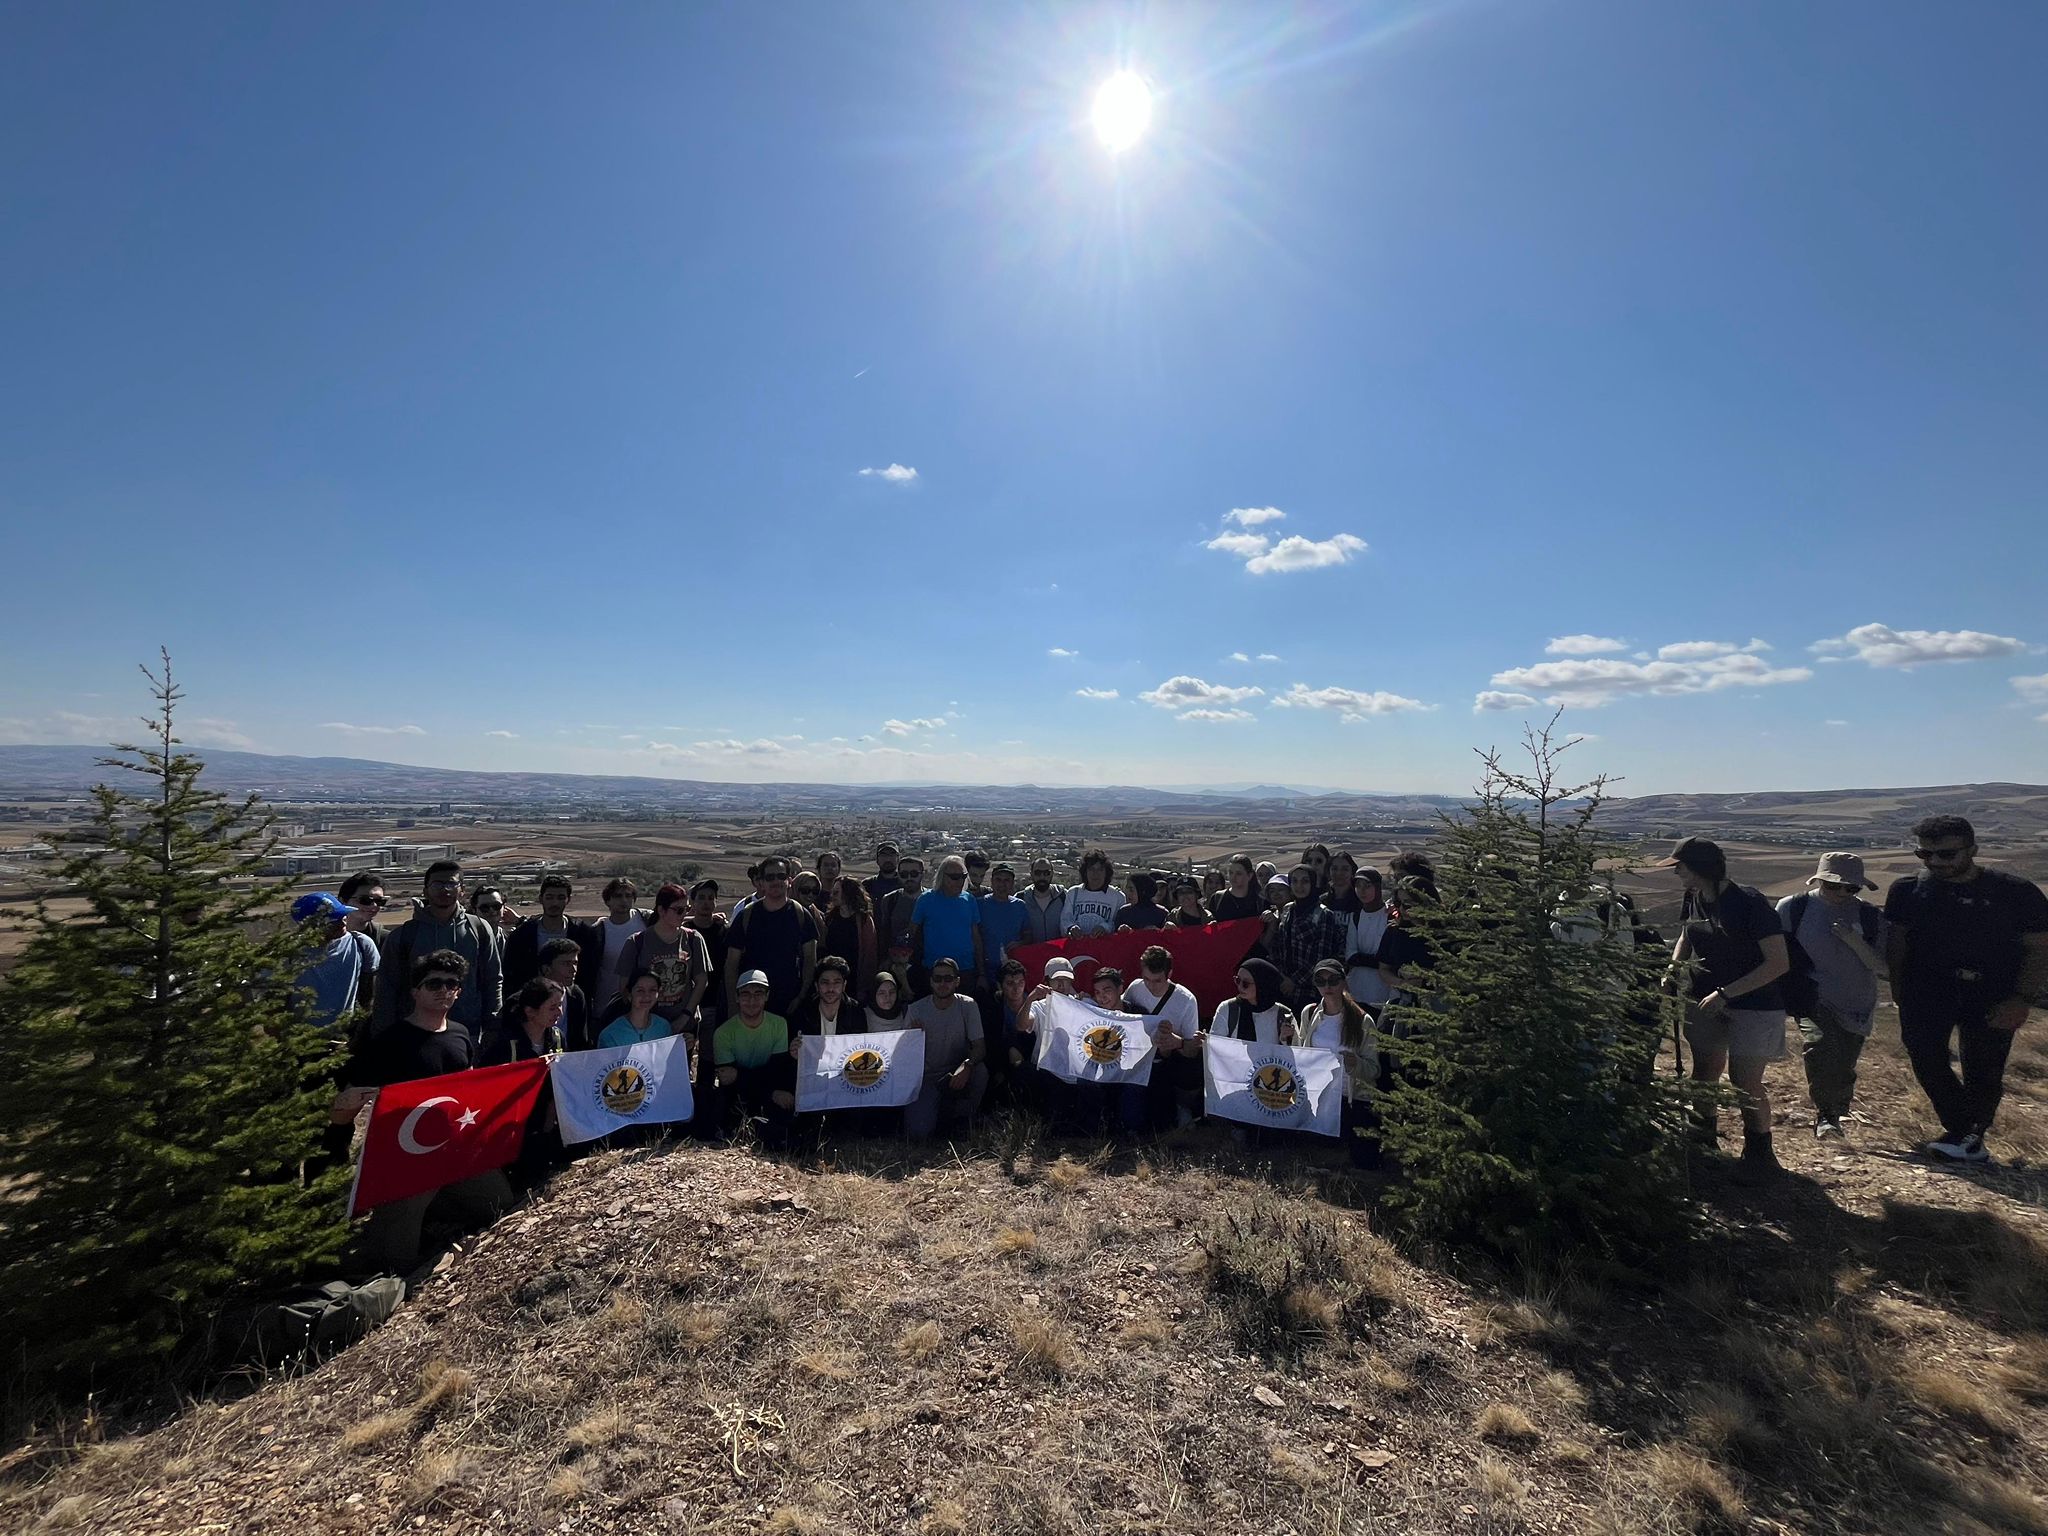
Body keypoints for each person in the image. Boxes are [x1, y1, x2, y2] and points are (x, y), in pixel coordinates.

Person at [331, 949, 513, 1278]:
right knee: (394, 1260)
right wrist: (342, 1110)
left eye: (452, 984)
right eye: (434, 984)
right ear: (416, 991)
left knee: (499, 1203)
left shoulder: (460, 1035)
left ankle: (435, 1210)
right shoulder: (389, 1043)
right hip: (406, 1158)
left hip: (454, 1150)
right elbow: (350, 1104)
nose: (444, 990)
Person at [1884, 815, 2048, 1164]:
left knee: (1984, 1068)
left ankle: (1968, 1136)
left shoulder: (2016, 893)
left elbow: (2039, 948)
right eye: (1924, 855)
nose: (1934, 863)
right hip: (1927, 988)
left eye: (1946, 854)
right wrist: (1900, 991)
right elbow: (1898, 944)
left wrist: (2021, 999)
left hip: (1992, 992)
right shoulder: (1907, 890)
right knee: (1925, 1056)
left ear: (1972, 850)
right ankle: (1965, 1131)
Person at [1658, 837, 1792, 1183]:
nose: (1676, 874)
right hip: (1705, 998)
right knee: (1704, 1073)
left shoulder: (1749, 903)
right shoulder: (1694, 897)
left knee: (1745, 1081)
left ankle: (1760, 1155)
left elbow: (1777, 963)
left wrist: (1726, 993)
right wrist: (1674, 969)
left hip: (1756, 1004)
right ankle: (1703, 1142)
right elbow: (1686, 936)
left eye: (1680, 867)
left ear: (1699, 868)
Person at [1778, 853, 1888, 1140]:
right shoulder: (1793, 908)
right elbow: (1776, 952)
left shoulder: (1869, 915)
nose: (1842, 893)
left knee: (1844, 1063)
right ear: (1818, 880)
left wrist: (1853, 940)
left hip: (1856, 1000)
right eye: (1833, 886)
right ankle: (1826, 1116)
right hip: (1811, 996)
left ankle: (1837, 1109)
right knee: (1820, 1044)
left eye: (1851, 888)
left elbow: (1881, 966)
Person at [373, 861, 503, 1040]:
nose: (445, 889)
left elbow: (493, 979)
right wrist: (383, 1035)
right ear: (425, 890)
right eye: (438, 884)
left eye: (451, 884)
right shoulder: (403, 935)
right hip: (414, 1035)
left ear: (462, 890)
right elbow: (387, 988)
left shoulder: (479, 929)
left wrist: (494, 1026)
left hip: (468, 1032)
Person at [481, 977, 570, 1186]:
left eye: (560, 1006)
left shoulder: (557, 1038)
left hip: (546, 1121)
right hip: (511, 1128)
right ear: (530, 1011)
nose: (559, 1013)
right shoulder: (504, 1046)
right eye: (552, 1007)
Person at [1301, 959, 1381, 1167]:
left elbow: (1374, 1070)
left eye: (1333, 980)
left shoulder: (1362, 1020)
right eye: (1320, 981)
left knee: (1364, 1163)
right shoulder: (1309, 1014)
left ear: (1344, 981)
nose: (1327, 987)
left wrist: (1356, 1063)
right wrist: (1285, 1038)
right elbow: (1301, 1056)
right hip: (1322, 1098)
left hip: (1353, 1100)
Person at [724, 855, 820, 1019]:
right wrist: (735, 1003)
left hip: (790, 1004)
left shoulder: (801, 916)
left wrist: (801, 997)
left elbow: (810, 960)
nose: (776, 881)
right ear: (761, 882)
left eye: (781, 876)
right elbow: (731, 963)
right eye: (770, 877)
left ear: (789, 880)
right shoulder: (746, 916)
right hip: (752, 1004)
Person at [903, 957, 988, 1139]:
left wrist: (968, 1065)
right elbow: (903, 1056)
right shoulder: (915, 1010)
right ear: (931, 981)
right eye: (937, 979)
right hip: (925, 1078)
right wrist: (913, 1038)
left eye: (948, 979)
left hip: (955, 1073)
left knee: (980, 1072)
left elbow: (980, 1047)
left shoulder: (968, 1005)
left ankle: (964, 1117)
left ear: (957, 981)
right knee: (919, 1132)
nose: (942, 983)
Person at [612, 883, 712, 1035]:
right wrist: (646, 1020)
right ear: (661, 910)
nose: (684, 914)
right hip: (646, 1028)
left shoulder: (693, 939)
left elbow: (701, 981)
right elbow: (624, 987)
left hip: (684, 1026)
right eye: (679, 910)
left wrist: (685, 1016)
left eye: (687, 909)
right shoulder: (636, 942)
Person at [714, 970, 795, 1146]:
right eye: (745, 994)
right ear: (736, 998)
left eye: (758, 994)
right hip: (741, 1096)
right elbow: (728, 1081)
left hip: (768, 1092)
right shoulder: (723, 1033)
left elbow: (777, 1071)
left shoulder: (779, 1024)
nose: (752, 1000)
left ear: (767, 996)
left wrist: (740, 1075)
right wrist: (769, 1089)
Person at [1124, 944, 1201, 1128]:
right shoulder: (1135, 988)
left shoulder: (1186, 1000)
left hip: (1168, 1060)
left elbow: (1193, 1050)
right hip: (1139, 1056)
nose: (1150, 985)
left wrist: (1177, 1043)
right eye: (1146, 979)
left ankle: (1183, 1106)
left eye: (1157, 981)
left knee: (1191, 1069)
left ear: (1169, 974)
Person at [292, 891, 379, 1033]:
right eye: (332, 920)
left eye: (342, 916)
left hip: (348, 1035)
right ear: (309, 926)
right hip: (300, 1039)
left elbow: (371, 990)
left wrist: (361, 1026)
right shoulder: (289, 954)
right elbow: (273, 999)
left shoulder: (361, 944)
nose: (342, 922)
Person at [1267, 864, 1349, 1009]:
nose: (1299, 886)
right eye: (1295, 881)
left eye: (1305, 881)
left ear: (1313, 883)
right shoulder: (1287, 910)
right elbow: (1278, 947)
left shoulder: (1324, 915)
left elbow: (1321, 957)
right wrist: (1282, 978)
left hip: (1310, 992)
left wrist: (1293, 982)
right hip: (1283, 990)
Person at [909, 855, 984, 997]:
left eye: (963, 876)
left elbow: (976, 938)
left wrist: (981, 973)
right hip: (934, 971)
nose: (960, 881)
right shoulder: (926, 900)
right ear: (942, 876)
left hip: (965, 970)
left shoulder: (969, 900)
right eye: (954, 877)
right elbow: (912, 933)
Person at [502, 875, 591, 993]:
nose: (554, 903)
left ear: (568, 900)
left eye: (560, 898)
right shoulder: (521, 935)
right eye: (549, 897)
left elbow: (589, 974)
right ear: (541, 898)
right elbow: (510, 976)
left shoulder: (582, 933)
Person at [585, 878, 651, 1018]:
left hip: (644, 1004)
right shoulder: (599, 931)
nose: (624, 900)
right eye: (618, 896)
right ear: (607, 901)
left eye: (628, 895)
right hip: (606, 1005)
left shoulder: (645, 919)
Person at [336, 872, 392, 1018]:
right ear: (343, 900)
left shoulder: (387, 941)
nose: (373, 906)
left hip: (369, 1021)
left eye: (380, 901)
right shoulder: (324, 940)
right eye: (365, 900)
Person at [1204, 959, 1295, 1044]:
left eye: (1245, 984)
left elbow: (1298, 1053)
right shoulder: (1228, 1009)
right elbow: (1215, 1048)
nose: (1239, 987)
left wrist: (1285, 1040)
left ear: (1262, 985)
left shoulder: (1283, 1014)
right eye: (1238, 980)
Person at [1341, 868, 1393, 1014]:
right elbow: (1351, 955)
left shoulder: (1390, 916)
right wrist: (1379, 962)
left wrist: (1366, 959)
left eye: (1367, 886)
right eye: (1358, 886)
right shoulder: (1355, 917)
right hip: (1357, 991)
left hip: (1383, 993)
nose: (1362, 891)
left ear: (1377, 887)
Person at [820, 877, 879, 998]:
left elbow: (869, 954)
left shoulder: (863, 920)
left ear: (848, 894)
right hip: (831, 977)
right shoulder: (830, 918)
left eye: (836, 892)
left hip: (854, 979)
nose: (832, 895)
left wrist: (865, 986)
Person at [531, 937, 593, 1050]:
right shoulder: (527, 997)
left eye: (575, 963)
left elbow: (582, 1041)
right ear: (546, 968)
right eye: (566, 964)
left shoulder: (576, 995)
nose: (573, 969)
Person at [977, 863, 1030, 993]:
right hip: (985, 971)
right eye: (998, 880)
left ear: (1012, 883)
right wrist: (981, 974)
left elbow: (1028, 935)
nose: (1002, 884)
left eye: (1007, 880)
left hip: (1013, 975)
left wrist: (1020, 943)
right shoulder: (979, 904)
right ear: (991, 882)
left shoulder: (1020, 906)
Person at [685, 879, 731, 1030]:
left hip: (715, 1002)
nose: (706, 903)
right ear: (691, 901)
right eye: (701, 897)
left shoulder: (724, 930)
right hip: (687, 1003)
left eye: (711, 898)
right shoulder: (684, 932)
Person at [875, 855, 927, 984]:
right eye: (904, 874)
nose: (909, 878)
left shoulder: (931, 900)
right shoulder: (890, 900)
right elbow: (884, 933)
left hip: (925, 964)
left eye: (914, 873)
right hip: (896, 965)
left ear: (922, 874)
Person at [792, 955, 869, 1039]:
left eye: (836, 982)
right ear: (816, 986)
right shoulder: (804, 1012)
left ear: (844, 986)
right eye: (825, 982)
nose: (831, 988)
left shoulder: (856, 1012)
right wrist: (794, 1049)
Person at [597, 970, 671, 1049]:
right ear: (629, 994)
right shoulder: (610, 1034)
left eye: (652, 990)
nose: (647, 996)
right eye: (640, 991)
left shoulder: (663, 1027)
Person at [1060, 850, 1123, 937]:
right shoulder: (1073, 893)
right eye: (1091, 869)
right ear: (1085, 872)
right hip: (1077, 946)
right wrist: (1071, 927)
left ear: (1106, 872)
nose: (1095, 874)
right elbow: (1065, 920)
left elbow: (1120, 925)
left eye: (1100, 870)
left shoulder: (1117, 896)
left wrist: (1105, 928)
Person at [1018, 858, 1068, 946]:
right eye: (1038, 873)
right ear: (1031, 874)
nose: (1042, 877)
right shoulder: (1021, 899)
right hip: (1031, 954)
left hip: (1058, 955)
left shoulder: (1064, 896)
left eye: (1046, 873)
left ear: (1052, 874)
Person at [1210, 856, 1265, 922]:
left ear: (1250, 876)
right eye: (1231, 873)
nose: (1233, 877)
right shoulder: (1217, 898)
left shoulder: (1260, 901)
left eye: (1238, 874)